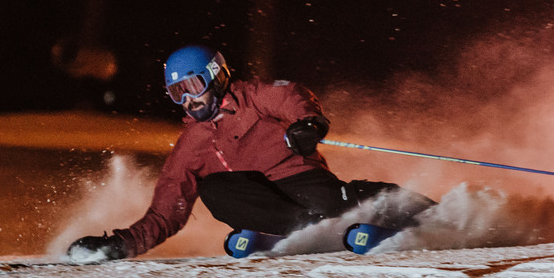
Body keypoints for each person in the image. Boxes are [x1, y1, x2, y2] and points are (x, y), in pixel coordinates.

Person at [67, 44, 433, 262]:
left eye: (193, 85)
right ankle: (304, 228)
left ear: (216, 76)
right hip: (271, 210)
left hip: (301, 180)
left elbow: (290, 95)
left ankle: (425, 212)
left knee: (335, 198)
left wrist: (308, 124)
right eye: (178, 93)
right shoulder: (190, 144)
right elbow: (167, 211)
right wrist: (121, 245)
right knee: (214, 190)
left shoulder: (250, 96)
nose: (189, 99)